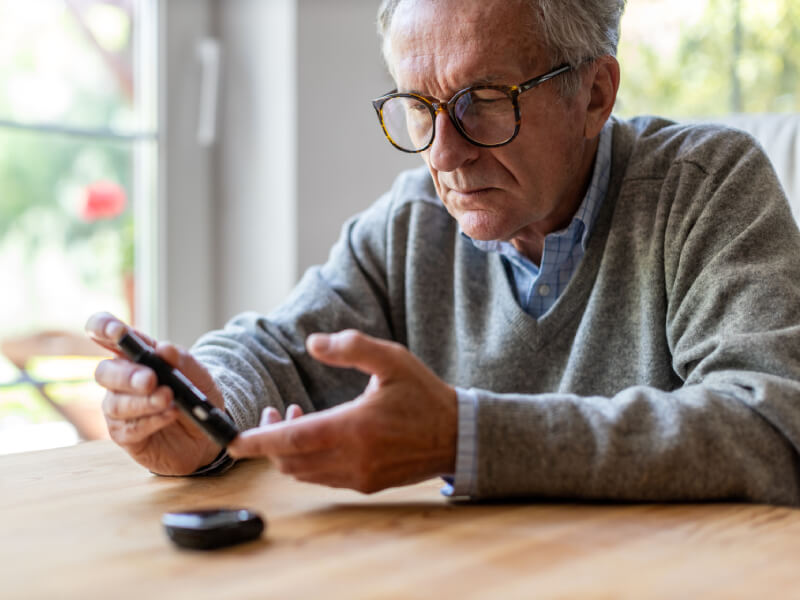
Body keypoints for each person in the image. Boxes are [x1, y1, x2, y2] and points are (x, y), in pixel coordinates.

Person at [87, 0, 800, 504]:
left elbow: (774, 428)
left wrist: (463, 438)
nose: (443, 154)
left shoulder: (707, 186)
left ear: (594, 94)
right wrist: (206, 414)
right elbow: (275, 351)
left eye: (482, 99)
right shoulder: (413, 223)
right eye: (419, 107)